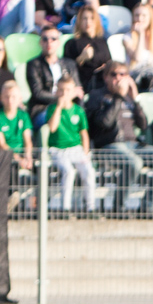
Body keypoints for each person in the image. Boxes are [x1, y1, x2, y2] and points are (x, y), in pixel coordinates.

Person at [84, 62, 153, 215]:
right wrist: (118, 97)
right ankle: (119, 207)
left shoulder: (129, 98)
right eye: (114, 74)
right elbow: (104, 123)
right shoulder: (96, 96)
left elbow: (143, 125)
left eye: (122, 74)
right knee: (135, 163)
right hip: (109, 145)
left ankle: (147, 207)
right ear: (105, 77)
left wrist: (136, 99)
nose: (118, 78)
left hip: (135, 145)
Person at [46, 76, 95, 214]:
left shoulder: (79, 110)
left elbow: (84, 134)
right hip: (57, 149)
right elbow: (52, 128)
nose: (64, 93)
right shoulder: (52, 109)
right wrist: (59, 108)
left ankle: (91, 207)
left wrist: (85, 152)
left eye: (67, 90)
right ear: (56, 91)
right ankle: (65, 208)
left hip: (76, 149)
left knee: (89, 172)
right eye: (60, 90)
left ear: (73, 92)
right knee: (68, 171)